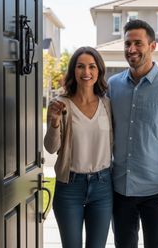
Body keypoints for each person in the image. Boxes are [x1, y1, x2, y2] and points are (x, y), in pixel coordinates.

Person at [108, 19, 158, 248]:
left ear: (152, 46)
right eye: (127, 43)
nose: (131, 49)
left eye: (138, 43)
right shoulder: (112, 85)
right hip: (121, 189)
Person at [44, 46, 113, 248]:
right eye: (81, 66)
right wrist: (55, 122)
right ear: (74, 70)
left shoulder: (107, 104)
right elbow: (50, 147)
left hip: (102, 186)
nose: (86, 72)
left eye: (92, 66)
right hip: (69, 186)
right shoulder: (60, 105)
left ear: (98, 70)